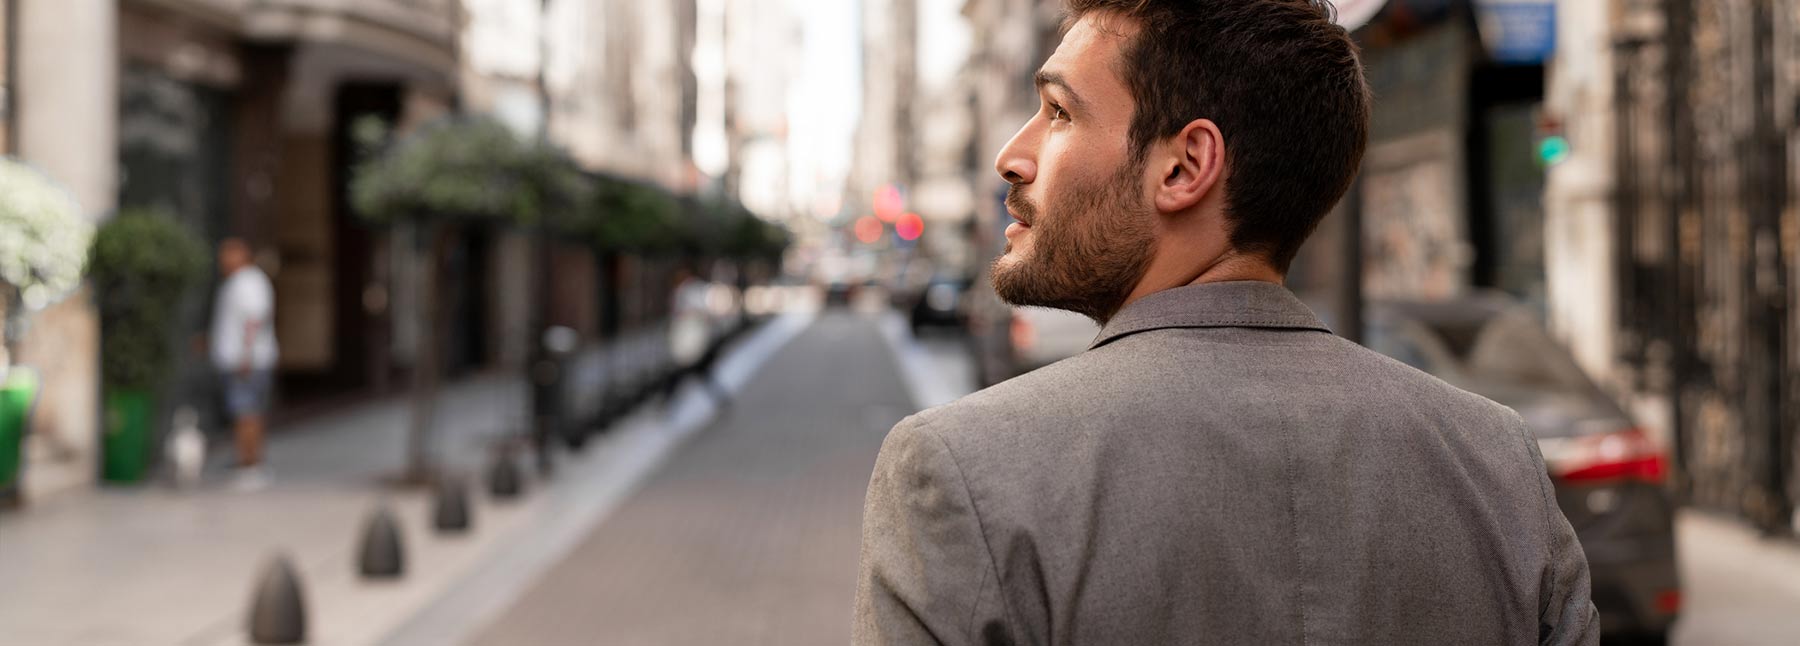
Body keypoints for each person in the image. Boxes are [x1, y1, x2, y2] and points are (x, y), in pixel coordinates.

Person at [852, 2, 1597, 645]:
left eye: (1057, 113)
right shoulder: (1499, 465)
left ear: (1183, 167)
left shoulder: (958, 470)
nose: (1011, 157)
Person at [210, 238, 278, 490]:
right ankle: (248, 463)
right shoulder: (241, 281)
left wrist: (245, 355)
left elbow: (253, 320)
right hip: (245, 359)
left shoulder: (247, 282)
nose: (223, 261)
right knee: (247, 412)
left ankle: (250, 466)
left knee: (246, 412)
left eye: (228, 255)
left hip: (247, 362)